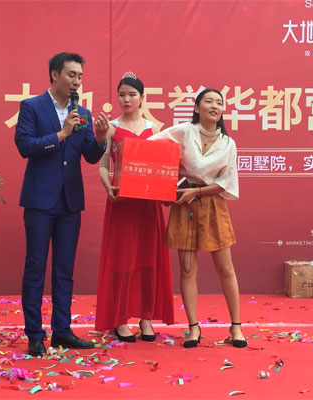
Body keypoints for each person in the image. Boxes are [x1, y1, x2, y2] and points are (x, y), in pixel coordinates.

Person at [14, 52, 108, 357]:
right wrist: (61, 134)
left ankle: (62, 332)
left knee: (64, 270)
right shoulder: (32, 106)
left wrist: (101, 139)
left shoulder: (83, 112)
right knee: (35, 267)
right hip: (39, 200)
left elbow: (90, 156)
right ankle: (34, 335)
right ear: (54, 75)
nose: (77, 81)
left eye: (80, 76)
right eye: (71, 75)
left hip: (70, 201)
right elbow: (24, 146)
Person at [150, 88, 247, 348]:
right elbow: (151, 147)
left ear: (222, 110)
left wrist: (197, 192)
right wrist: (164, 186)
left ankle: (236, 327)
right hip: (184, 205)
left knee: (226, 269)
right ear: (196, 108)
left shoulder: (228, 143)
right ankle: (194, 328)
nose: (214, 106)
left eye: (219, 103)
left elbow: (226, 183)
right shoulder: (184, 132)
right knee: (187, 269)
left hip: (213, 205)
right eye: (208, 101)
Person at [94, 73, 174, 342]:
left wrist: (166, 190)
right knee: (123, 261)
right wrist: (108, 187)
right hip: (122, 204)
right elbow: (103, 165)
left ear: (142, 98)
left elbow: (164, 166)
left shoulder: (156, 129)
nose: (126, 99)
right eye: (122, 95)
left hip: (149, 206)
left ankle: (146, 317)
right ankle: (119, 318)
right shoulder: (111, 128)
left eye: (132, 94)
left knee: (148, 260)